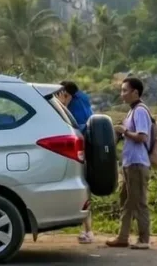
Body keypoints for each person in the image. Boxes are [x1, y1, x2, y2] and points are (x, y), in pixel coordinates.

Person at [107, 77, 153, 250]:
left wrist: (124, 131)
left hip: (137, 163)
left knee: (139, 201)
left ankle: (144, 239)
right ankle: (123, 236)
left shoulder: (140, 110)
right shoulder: (132, 111)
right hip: (129, 163)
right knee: (126, 200)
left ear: (135, 92)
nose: (122, 94)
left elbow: (142, 137)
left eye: (125, 90)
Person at [56, 80, 95, 244]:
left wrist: (62, 105)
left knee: (83, 193)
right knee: (85, 192)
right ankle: (87, 230)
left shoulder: (75, 109)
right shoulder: (82, 100)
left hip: (82, 155)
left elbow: (75, 129)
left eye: (59, 95)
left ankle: (89, 231)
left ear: (66, 94)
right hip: (88, 154)